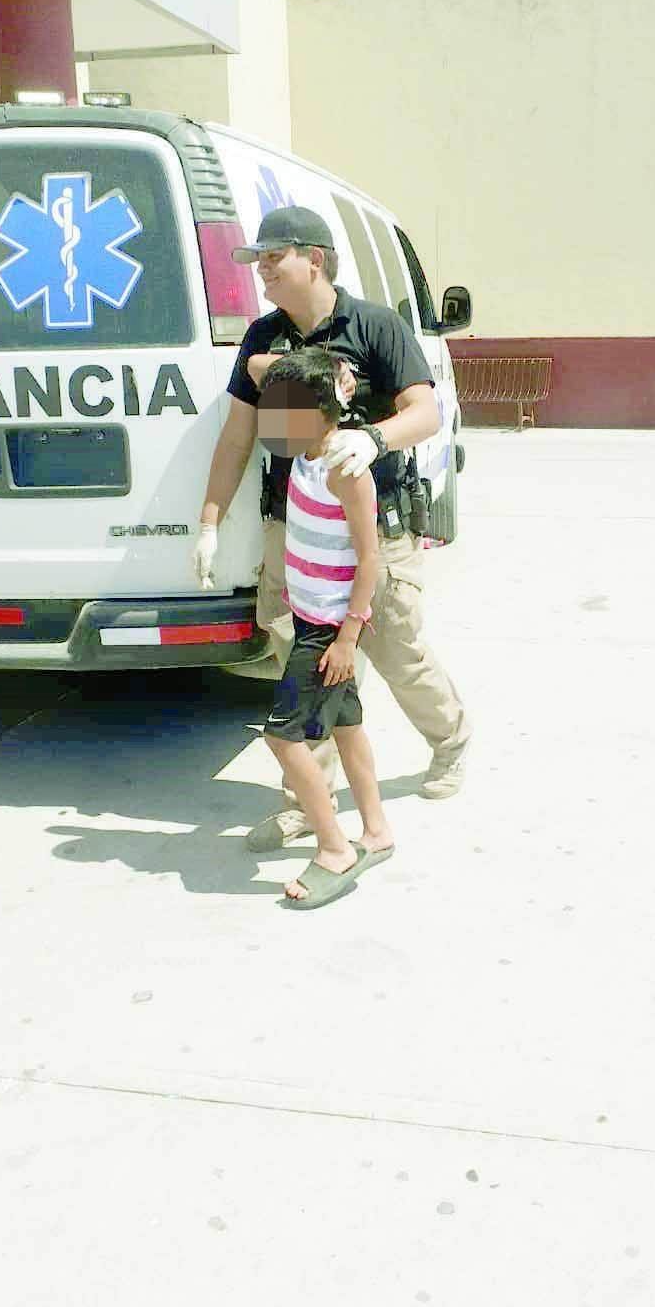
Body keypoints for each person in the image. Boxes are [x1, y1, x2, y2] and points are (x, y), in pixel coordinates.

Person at [194, 205, 471, 851]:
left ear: (312, 259)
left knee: (396, 651)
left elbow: (424, 411)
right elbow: (238, 436)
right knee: (300, 663)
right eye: (257, 260)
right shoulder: (263, 339)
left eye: (272, 257)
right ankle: (306, 800)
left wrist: (373, 440)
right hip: (292, 535)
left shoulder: (375, 326)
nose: (260, 271)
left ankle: (451, 739)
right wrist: (208, 522)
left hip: (370, 524)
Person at [256, 348, 395, 907]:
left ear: (316, 411)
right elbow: (262, 368)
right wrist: (330, 371)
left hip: (330, 630)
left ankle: (334, 848)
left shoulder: (344, 467)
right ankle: (378, 831)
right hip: (312, 616)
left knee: (282, 736)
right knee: (347, 728)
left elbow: (371, 560)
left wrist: (346, 638)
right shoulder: (306, 453)